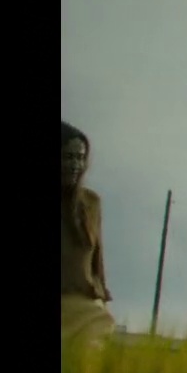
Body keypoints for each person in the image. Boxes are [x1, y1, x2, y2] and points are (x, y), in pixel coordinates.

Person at [62, 121, 117, 349]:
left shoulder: (91, 203)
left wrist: (102, 296)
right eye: (68, 157)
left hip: (85, 309)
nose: (76, 165)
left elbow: (97, 261)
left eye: (80, 158)